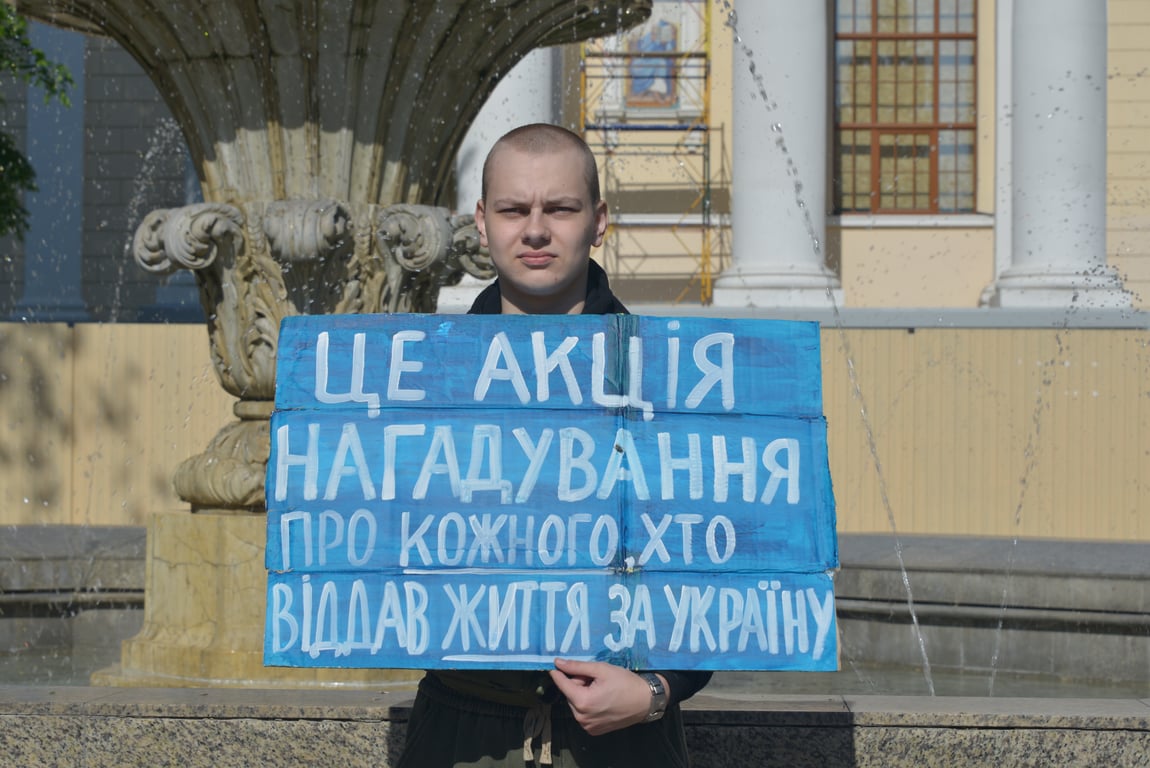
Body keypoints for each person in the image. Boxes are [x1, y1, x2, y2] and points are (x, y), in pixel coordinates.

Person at [396, 123, 712, 767]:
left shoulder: (678, 376)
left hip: (626, 743)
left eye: (560, 209)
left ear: (598, 221)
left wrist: (656, 690)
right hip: (461, 736)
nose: (535, 230)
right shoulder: (417, 379)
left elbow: (718, 574)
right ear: (482, 223)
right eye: (514, 210)